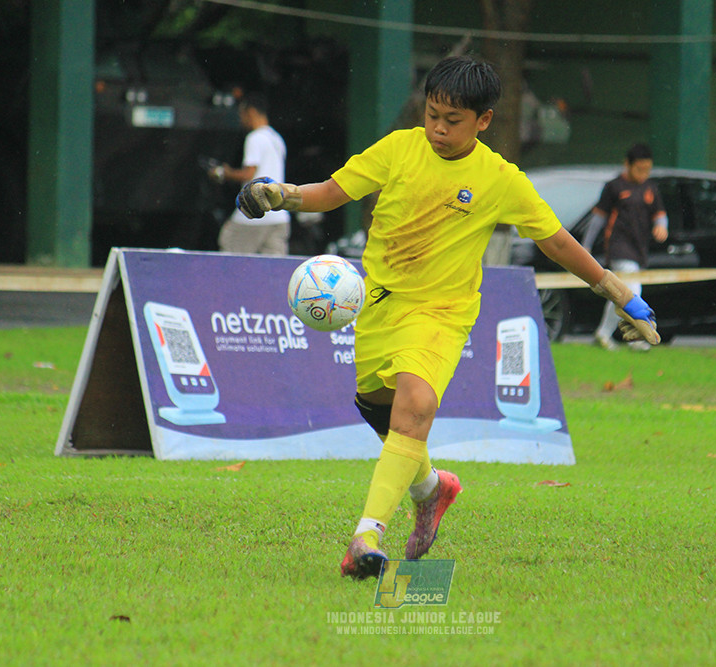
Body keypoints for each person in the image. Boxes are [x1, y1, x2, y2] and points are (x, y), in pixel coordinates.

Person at [236, 55, 661, 580]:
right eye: (432, 114)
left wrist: (623, 295)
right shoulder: (399, 148)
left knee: (416, 402)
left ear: (483, 120)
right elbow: (331, 193)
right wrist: (279, 194)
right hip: (379, 305)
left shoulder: (501, 179)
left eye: (452, 120)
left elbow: (557, 242)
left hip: (443, 312)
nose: (438, 128)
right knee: (381, 411)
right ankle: (432, 490)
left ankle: (366, 536)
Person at [582, 143, 668, 351]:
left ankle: (603, 334)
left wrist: (661, 226)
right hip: (619, 247)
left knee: (620, 294)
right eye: (639, 169)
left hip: (639, 249)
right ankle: (638, 338)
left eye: (647, 169)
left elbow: (660, 214)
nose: (643, 174)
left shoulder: (650, 188)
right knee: (632, 290)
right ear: (627, 165)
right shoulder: (614, 187)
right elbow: (597, 220)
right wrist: (585, 247)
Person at [211, 92, 289, 255]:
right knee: (274, 267)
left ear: (251, 112)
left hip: (254, 213)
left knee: (230, 253)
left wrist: (224, 173)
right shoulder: (276, 138)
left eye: (242, 114)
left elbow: (249, 175)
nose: (241, 119)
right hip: (279, 214)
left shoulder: (255, 138)